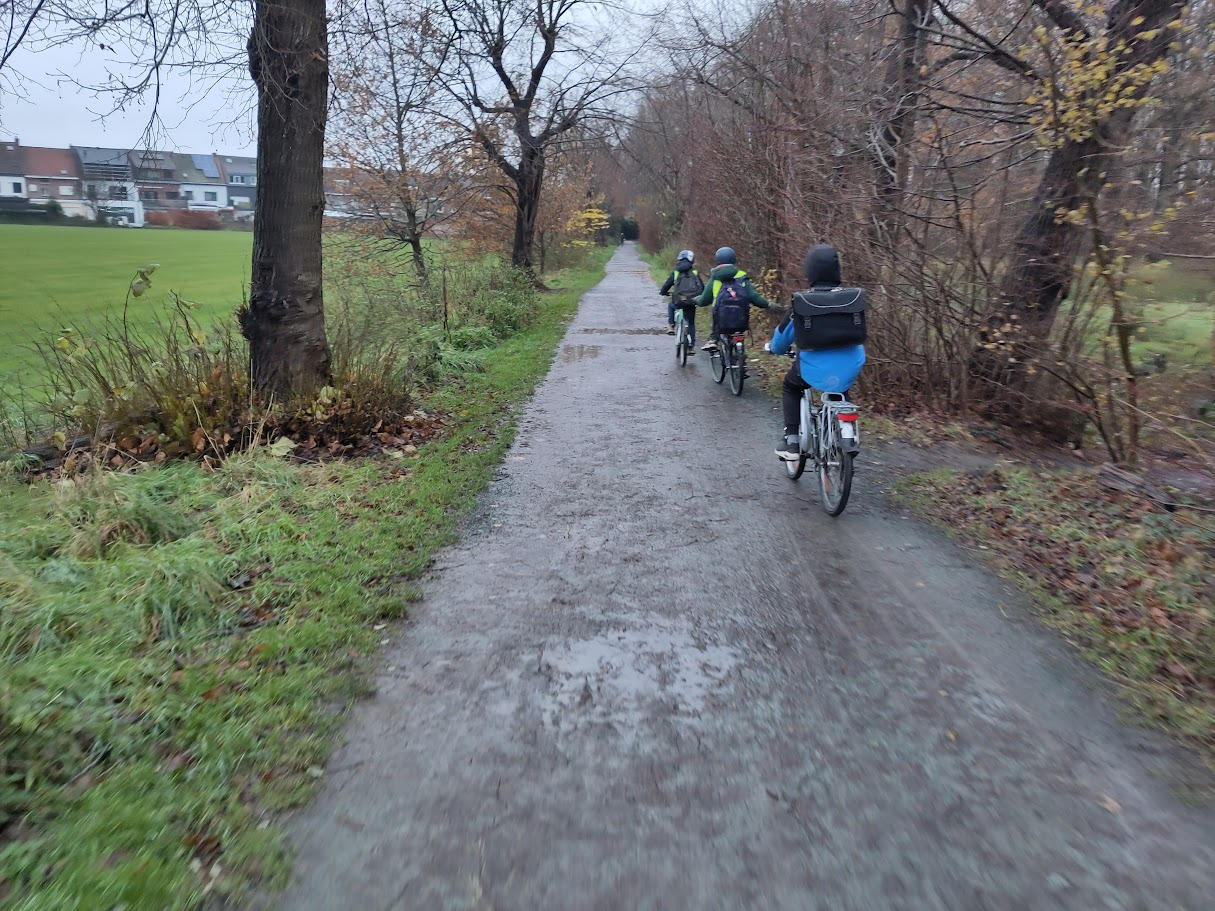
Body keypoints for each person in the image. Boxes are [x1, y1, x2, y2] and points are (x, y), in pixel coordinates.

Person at [768, 244, 866, 459]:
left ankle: (792, 440)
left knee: (790, 387)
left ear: (809, 271)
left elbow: (781, 340)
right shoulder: (853, 298)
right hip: (851, 365)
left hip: (813, 368)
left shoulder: (802, 302)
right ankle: (846, 432)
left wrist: (774, 349)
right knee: (841, 387)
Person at [697, 246, 771, 350]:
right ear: (734, 259)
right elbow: (754, 296)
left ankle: (713, 339)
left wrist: (696, 300)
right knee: (740, 332)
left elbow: (704, 300)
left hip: (720, 317)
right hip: (741, 316)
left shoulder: (715, 277)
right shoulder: (741, 275)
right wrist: (768, 305)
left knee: (716, 311)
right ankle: (740, 356)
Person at [659, 249, 704, 346]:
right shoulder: (695, 272)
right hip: (691, 300)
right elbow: (701, 287)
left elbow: (667, 284)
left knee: (671, 305)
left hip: (679, 300)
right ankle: (691, 346)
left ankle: (671, 325)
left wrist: (663, 292)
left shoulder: (676, 272)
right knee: (691, 322)